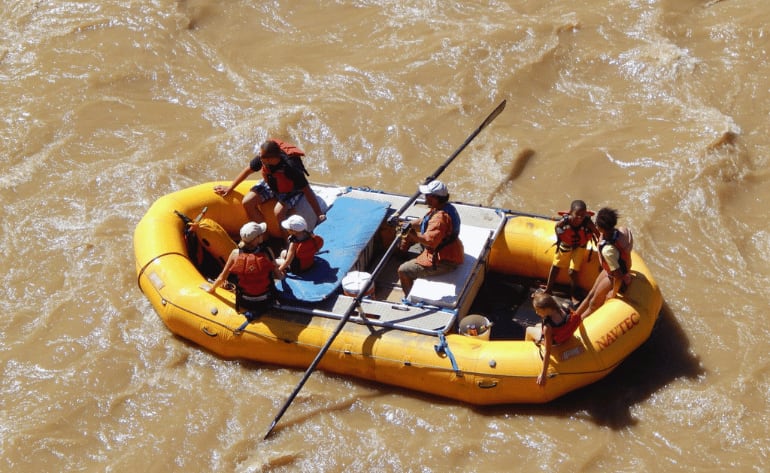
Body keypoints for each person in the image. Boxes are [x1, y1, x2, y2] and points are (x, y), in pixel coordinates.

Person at [213, 139, 326, 227]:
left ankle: (286, 243)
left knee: (278, 213)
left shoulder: (290, 167)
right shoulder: (262, 159)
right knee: (247, 202)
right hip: (271, 183)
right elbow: (247, 171)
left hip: (290, 190)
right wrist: (230, 188)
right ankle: (264, 235)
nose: (259, 157)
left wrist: (319, 213)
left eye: (262, 156)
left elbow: (307, 190)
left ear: (271, 158)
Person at [205, 221, 282, 332]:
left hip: (245, 301)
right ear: (257, 239)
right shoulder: (267, 251)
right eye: (260, 234)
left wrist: (211, 289)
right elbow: (276, 273)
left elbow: (222, 277)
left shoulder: (235, 253)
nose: (263, 236)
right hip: (266, 300)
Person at [397, 180, 464, 297]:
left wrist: (412, 233)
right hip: (450, 248)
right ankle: (401, 254)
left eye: (427, 196)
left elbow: (430, 242)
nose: (425, 198)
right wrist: (408, 224)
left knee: (403, 271)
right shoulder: (442, 208)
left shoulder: (439, 219)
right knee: (408, 238)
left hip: (444, 261)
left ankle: (409, 298)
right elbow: (424, 222)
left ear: (434, 198)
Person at [573, 207, 633, 320]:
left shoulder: (608, 251)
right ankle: (575, 316)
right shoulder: (623, 231)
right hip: (610, 269)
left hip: (613, 277)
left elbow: (618, 276)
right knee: (591, 293)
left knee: (593, 304)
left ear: (601, 228)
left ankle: (576, 324)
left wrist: (613, 293)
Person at [542, 199, 599, 304]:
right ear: (570, 213)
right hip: (566, 243)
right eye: (577, 215)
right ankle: (548, 290)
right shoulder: (566, 220)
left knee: (573, 271)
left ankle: (573, 294)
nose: (580, 218)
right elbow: (557, 227)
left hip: (580, 245)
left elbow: (596, 232)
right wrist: (561, 234)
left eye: (582, 215)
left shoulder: (587, 221)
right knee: (556, 265)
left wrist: (601, 246)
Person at [526, 292, 583, 386]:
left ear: (545, 309)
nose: (536, 313)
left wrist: (543, 374)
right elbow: (575, 320)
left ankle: (526, 351)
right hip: (565, 335)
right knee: (537, 325)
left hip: (556, 342)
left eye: (538, 310)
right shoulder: (564, 308)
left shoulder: (547, 327)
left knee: (529, 329)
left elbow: (548, 351)